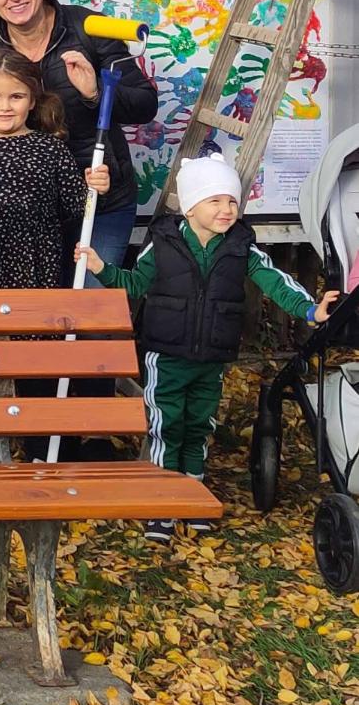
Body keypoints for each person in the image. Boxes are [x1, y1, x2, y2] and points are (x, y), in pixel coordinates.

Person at [78, 152, 337, 543]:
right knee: (168, 428)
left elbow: (276, 281)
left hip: (210, 358)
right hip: (166, 356)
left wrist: (310, 309)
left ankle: (192, 496)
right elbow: (132, 285)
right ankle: (162, 505)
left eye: (231, 200)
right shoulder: (162, 243)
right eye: (214, 200)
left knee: (199, 427)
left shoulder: (241, 247)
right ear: (191, 206)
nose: (226, 209)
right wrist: (101, 268)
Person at [0, 46, 109, 462]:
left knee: (38, 360)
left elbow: (79, 208)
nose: (4, 106)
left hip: (34, 271)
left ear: (33, 100)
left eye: (16, 96)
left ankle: (44, 446)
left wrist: (98, 187)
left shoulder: (49, 150)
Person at [0, 0, 156, 272]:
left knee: (89, 310)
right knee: (41, 310)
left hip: (100, 199)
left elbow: (145, 105)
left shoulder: (88, 29)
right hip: (31, 208)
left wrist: (96, 93)